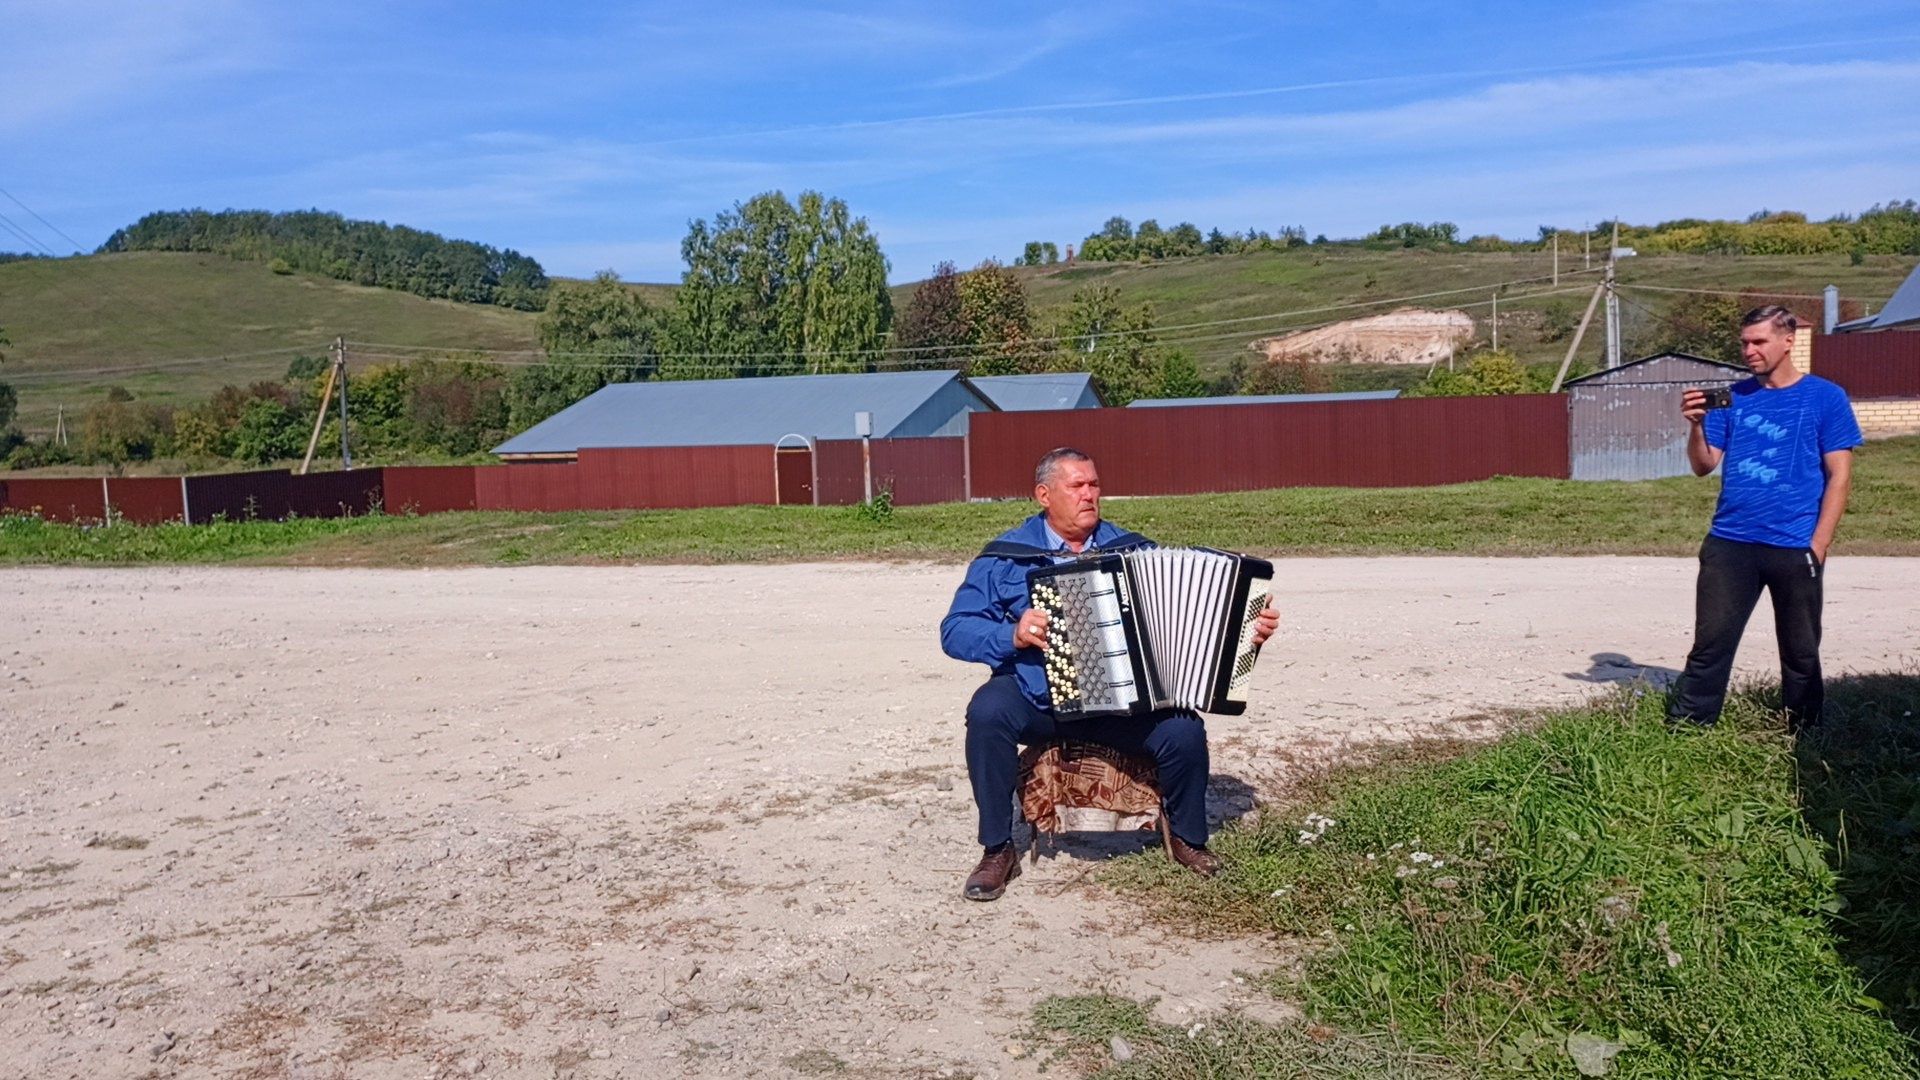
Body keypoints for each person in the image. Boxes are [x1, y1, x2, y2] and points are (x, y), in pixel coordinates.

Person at [939, 447, 1280, 901]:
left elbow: (1193, 621)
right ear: (1044, 495)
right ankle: (997, 849)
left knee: (1183, 732)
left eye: (1094, 484)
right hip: (1040, 695)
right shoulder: (1006, 556)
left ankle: (1187, 838)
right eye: (1075, 486)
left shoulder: (1134, 550)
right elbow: (955, 630)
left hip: (1124, 704)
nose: (1089, 495)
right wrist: (1012, 634)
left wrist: (1248, 634)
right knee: (987, 712)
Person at [1667, 305, 1863, 730]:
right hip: (1730, 543)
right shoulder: (1733, 398)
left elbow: (1839, 476)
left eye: (1759, 341)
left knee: (1800, 651)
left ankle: (1805, 732)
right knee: (1711, 644)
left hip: (1795, 545)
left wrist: (1819, 545)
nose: (1749, 350)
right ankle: (1687, 728)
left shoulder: (1826, 397)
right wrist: (1697, 426)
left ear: (1788, 340)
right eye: (1744, 342)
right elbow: (1703, 466)